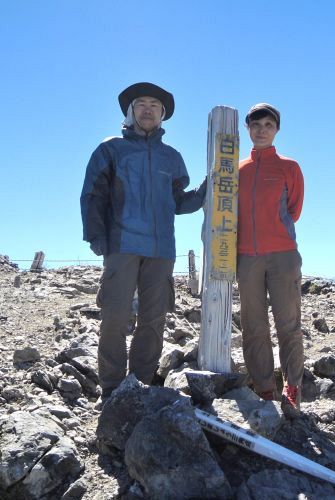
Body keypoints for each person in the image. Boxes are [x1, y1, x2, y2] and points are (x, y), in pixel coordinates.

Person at [80, 82, 205, 399]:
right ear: (130, 111)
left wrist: (206, 190)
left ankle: (142, 384)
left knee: (154, 318)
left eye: (154, 105)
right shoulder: (111, 149)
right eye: (141, 104)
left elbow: (178, 202)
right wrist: (96, 235)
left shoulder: (172, 157)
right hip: (122, 244)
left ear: (163, 114)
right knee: (115, 315)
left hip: (161, 249)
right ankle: (111, 387)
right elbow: (93, 194)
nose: (148, 110)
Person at [237, 103, 304, 417]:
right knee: (253, 326)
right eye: (256, 125)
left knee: (288, 325)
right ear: (247, 129)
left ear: (277, 130)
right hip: (246, 257)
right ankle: (265, 389)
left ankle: (293, 389)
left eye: (268, 125)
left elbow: (294, 210)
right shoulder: (237, 169)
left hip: (282, 256)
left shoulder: (289, 167)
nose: (261, 130)